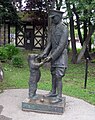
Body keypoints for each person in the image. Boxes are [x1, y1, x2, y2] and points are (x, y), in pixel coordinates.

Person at [38, 10, 68, 103]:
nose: (52, 20)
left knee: (59, 76)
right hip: (54, 56)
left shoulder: (64, 28)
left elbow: (62, 45)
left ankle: (59, 96)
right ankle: (53, 92)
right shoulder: (52, 28)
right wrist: (44, 53)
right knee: (53, 74)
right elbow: (50, 43)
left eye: (54, 17)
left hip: (61, 56)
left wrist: (51, 56)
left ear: (59, 17)